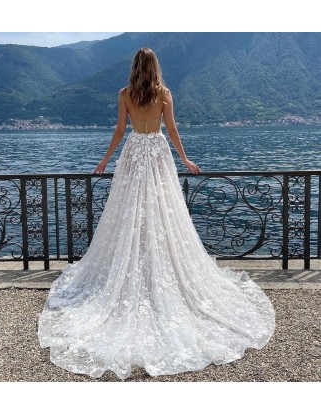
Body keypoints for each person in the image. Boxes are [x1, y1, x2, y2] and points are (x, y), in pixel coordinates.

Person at [37, 47, 275, 380]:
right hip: (159, 153)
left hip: (135, 152)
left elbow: (120, 131)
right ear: (156, 67)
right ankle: (158, 263)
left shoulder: (124, 94)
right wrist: (186, 159)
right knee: (163, 208)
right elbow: (173, 130)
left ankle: (136, 261)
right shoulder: (164, 93)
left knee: (130, 209)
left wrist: (105, 160)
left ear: (135, 67)